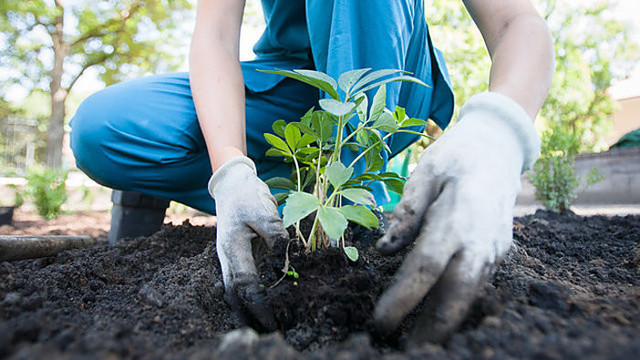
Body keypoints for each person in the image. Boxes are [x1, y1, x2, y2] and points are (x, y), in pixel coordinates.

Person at [70, 0, 553, 345]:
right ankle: (304, 206)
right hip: (288, 84)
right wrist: (231, 171)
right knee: (101, 129)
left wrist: (498, 132)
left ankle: (352, 201)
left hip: (384, 85)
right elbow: (214, 35)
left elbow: (517, 20)